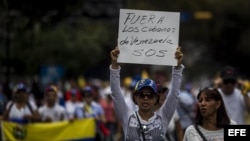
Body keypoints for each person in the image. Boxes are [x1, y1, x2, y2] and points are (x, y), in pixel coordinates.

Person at [110, 46, 184, 141]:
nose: (145, 98)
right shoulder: (127, 116)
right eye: (141, 94)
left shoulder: (163, 117)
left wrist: (177, 67)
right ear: (135, 98)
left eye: (150, 95)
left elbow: (174, 94)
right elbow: (116, 94)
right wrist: (114, 65)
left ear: (155, 99)